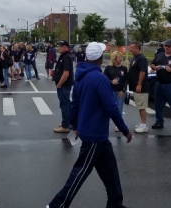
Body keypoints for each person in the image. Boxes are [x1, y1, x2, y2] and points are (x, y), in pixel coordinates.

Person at [47, 42, 132, 208]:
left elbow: (74, 104)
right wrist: (124, 129)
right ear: (100, 58)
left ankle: (115, 203)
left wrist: (75, 125)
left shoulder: (82, 76)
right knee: (79, 173)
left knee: (110, 172)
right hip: (94, 135)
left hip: (96, 135)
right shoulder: (100, 79)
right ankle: (57, 205)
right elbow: (111, 107)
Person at [128, 42, 150, 134]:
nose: (130, 49)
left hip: (141, 87)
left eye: (132, 47)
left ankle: (144, 125)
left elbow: (142, 72)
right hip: (135, 86)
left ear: (138, 48)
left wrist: (139, 84)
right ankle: (142, 123)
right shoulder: (134, 58)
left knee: (142, 106)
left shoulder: (141, 58)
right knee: (140, 106)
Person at [104, 51, 128, 132]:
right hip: (111, 91)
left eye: (121, 57)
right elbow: (104, 78)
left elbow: (126, 80)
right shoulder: (109, 68)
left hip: (120, 91)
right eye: (119, 57)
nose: (120, 59)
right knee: (109, 108)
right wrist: (111, 82)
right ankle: (104, 124)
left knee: (119, 108)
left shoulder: (124, 68)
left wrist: (123, 90)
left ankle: (118, 125)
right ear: (114, 58)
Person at [52, 41, 73, 133]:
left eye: (62, 46)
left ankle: (65, 126)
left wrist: (59, 84)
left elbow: (66, 73)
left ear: (67, 47)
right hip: (63, 85)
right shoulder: (64, 56)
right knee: (66, 104)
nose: (59, 47)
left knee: (64, 105)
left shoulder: (66, 58)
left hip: (64, 86)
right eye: (59, 46)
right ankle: (67, 123)